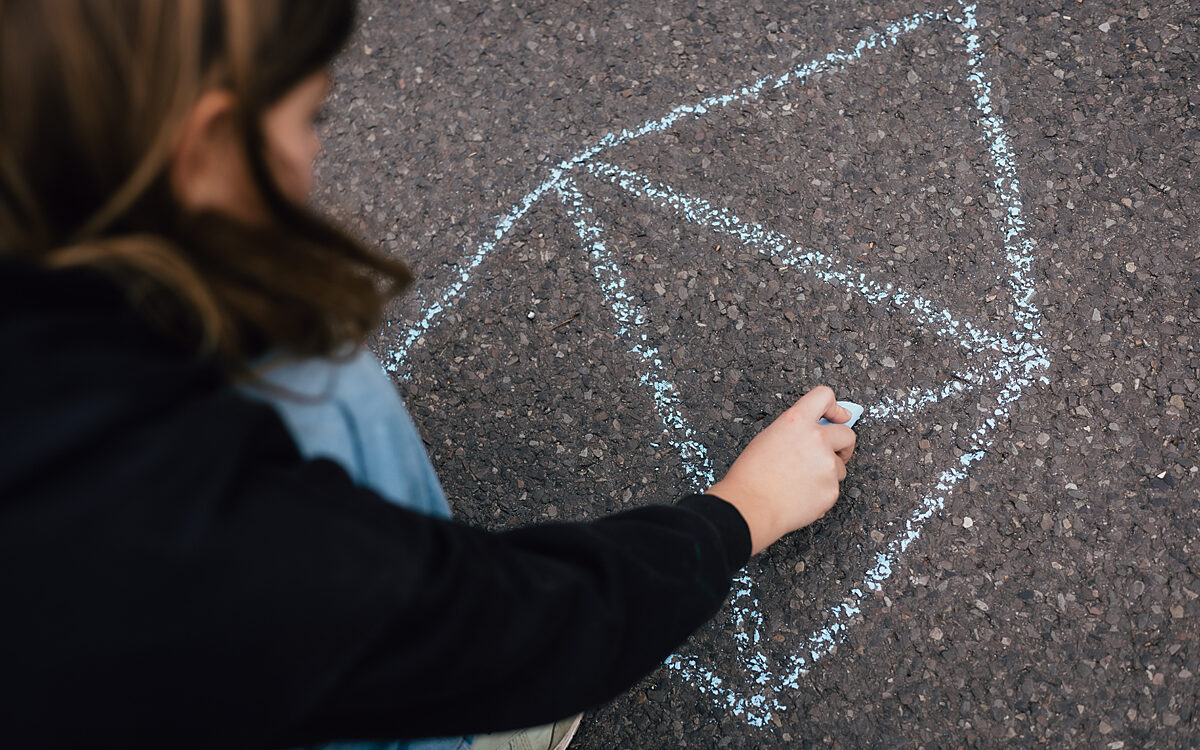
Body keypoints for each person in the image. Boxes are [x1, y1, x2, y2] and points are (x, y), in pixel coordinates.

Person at [0, 1, 857, 749]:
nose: (314, 151)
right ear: (207, 148)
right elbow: (525, 632)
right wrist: (742, 513)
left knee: (305, 356)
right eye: (314, 117)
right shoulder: (208, 551)